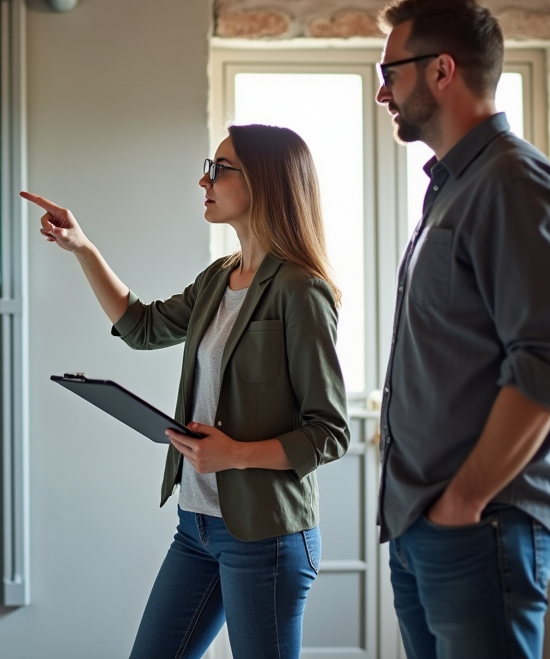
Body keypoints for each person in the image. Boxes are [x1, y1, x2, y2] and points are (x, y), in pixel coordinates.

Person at [22, 124, 350, 659]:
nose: (205, 179)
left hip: (264, 537)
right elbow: (142, 327)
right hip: (197, 527)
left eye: (221, 169)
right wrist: (81, 248)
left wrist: (235, 454)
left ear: (265, 183)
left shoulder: (301, 290)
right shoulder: (219, 278)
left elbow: (330, 432)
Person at [374, 0, 550, 659]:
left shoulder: (512, 183)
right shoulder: (453, 187)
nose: (382, 94)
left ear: (441, 70)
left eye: (390, 73)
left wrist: (462, 502)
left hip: (480, 522)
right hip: (424, 524)